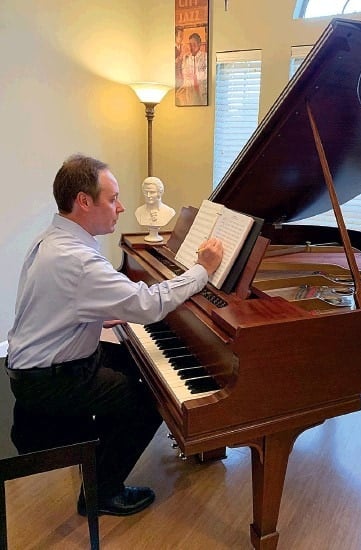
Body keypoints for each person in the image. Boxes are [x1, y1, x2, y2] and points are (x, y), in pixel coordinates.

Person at [6, 154, 223, 517]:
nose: (120, 207)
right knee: (149, 397)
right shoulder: (78, 259)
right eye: (112, 199)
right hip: (46, 381)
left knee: (136, 364)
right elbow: (149, 305)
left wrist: (92, 315)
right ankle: (102, 492)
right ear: (84, 201)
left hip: (39, 361)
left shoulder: (51, 238)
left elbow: (59, 302)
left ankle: (103, 456)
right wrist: (202, 270)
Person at [177, 32, 208, 106]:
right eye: (190, 44)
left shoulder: (205, 57)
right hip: (189, 89)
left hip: (202, 89)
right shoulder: (186, 58)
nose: (192, 47)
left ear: (199, 44)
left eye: (194, 44)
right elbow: (185, 74)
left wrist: (196, 75)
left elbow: (207, 74)